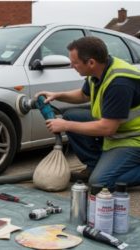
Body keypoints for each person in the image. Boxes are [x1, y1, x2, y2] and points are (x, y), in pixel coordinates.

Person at [36, 36, 140, 190]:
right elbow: (84, 95)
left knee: (100, 182)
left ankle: (106, 171)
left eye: (75, 62)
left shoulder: (119, 83)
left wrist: (66, 125)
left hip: (132, 139)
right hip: (117, 132)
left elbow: (107, 128)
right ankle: (94, 165)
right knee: (72, 116)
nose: (72, 66)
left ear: (91, 62)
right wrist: (57, 95)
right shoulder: (98, 71)